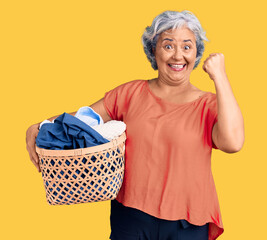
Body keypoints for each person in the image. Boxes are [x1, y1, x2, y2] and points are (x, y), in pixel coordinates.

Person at [26, 10, 244, 240]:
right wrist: (38, 126)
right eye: (168, 46)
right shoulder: (130, 93)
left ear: (197, 53)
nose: (178, 55)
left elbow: (233, 143)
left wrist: (220, 76)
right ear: (153, 50)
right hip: (131, 217)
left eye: (187, 47)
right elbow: (80, 122)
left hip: (186, 224)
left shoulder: (209, 104)